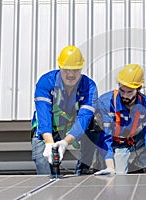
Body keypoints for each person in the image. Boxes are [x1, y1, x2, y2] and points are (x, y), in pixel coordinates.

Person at [94, 64, 146, 175]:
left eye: (130, 92)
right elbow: (105, 136)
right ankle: (111, 164)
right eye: (122, 90)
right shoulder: (105, 102)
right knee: (118, 177)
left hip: (134, 139)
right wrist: (110, 166)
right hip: (116, 145)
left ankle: (137, 166)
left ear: (138, 89)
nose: (125, 95)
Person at [31, 45, 99, 175]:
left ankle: (82, 173)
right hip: (48, 128)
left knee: (95, 125)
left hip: (72, 126)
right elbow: (43, 114)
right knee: (42, 161)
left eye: (76, 70)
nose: (71, 74)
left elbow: (84, 118)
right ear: (60, 67)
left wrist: (65, 142)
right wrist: (50, 143)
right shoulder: (46, 82)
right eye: (67, 70)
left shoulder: (89, 86)